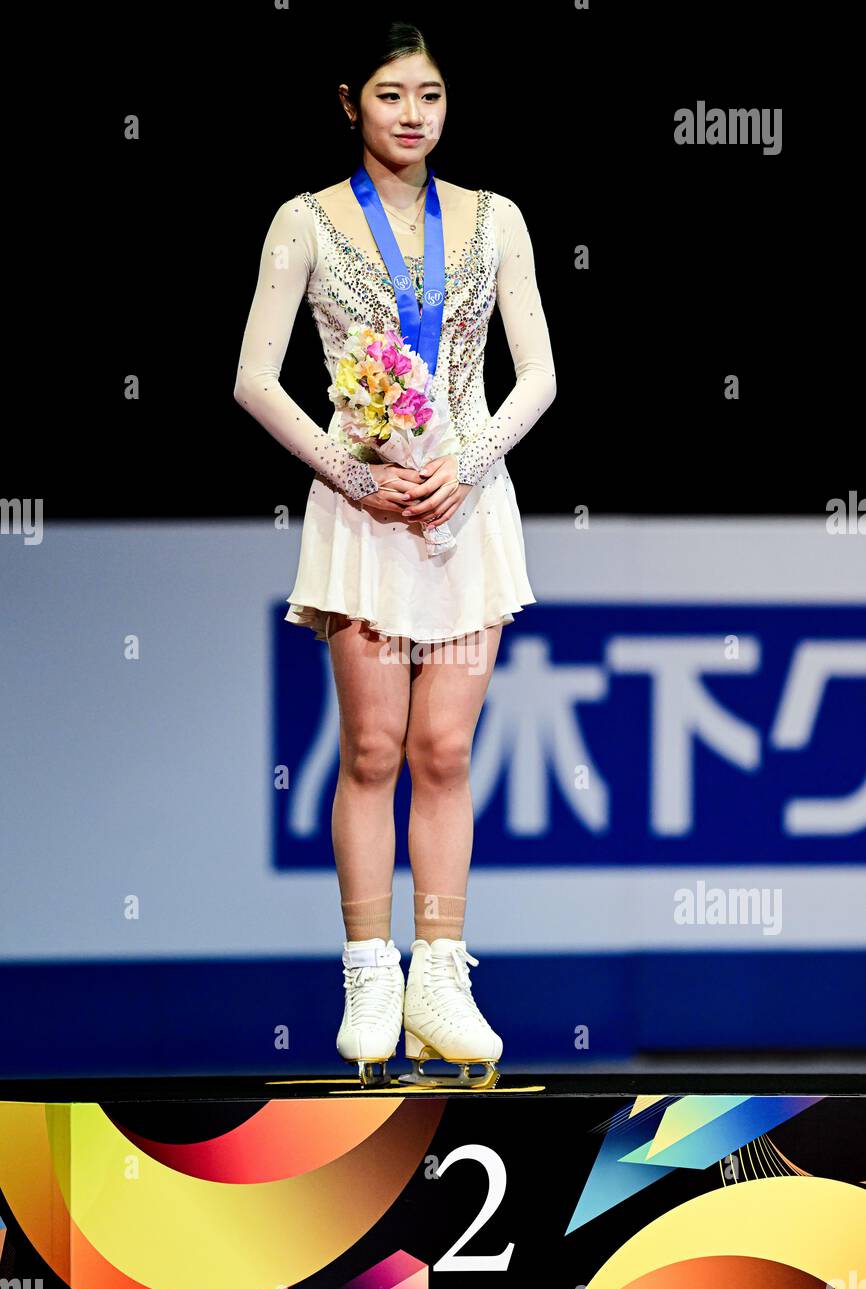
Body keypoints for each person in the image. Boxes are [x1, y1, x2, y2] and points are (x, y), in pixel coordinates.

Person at [233, 21, 556, 1088]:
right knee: (371, 748)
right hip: (363, 510)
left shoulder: (495, 219)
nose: (411, 113)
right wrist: (354, 472)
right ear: (346, 102)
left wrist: (467, 463)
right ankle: (369, 969)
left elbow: (538, 375)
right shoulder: (306, 223)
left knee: (446, 754)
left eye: (428, 93)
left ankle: (440, 972)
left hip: (465, 509)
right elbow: (253, 379)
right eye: (388, 94)